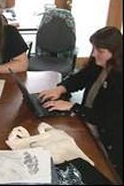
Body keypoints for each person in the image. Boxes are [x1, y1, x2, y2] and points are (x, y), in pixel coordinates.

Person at [38, 26, 123, 180]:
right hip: (88, 121)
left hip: (108, 139)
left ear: (115, 54)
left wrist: (73, 107)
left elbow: (109, 120)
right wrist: (61, 88)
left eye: (100, 51)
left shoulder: (119, 79)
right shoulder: (100, 64)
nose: (94, 54)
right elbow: (81, 77)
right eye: (94, 48)